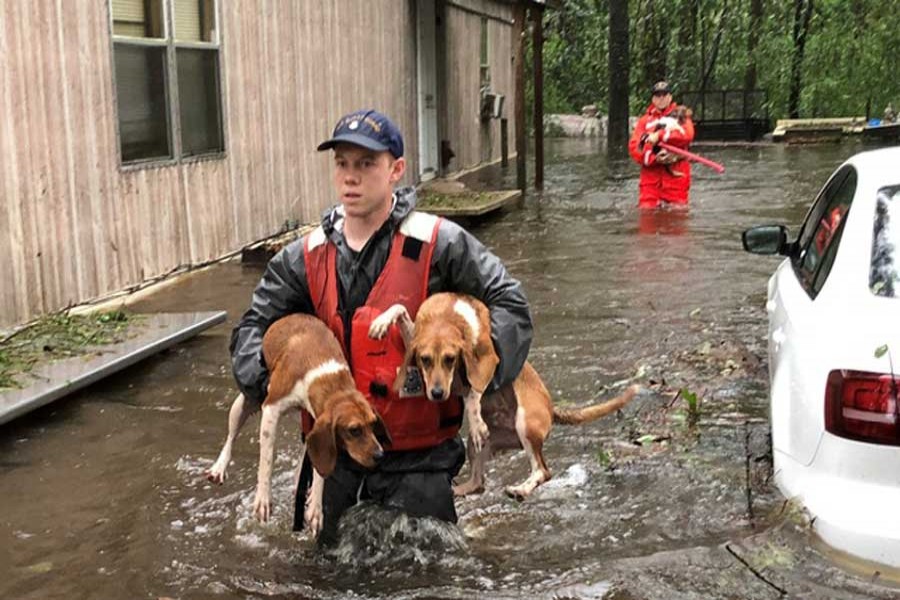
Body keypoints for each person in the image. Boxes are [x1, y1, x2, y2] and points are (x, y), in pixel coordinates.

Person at [229, 109, 532, 546]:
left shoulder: (440, 242)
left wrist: (476, 370)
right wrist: (265, 383)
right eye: (342, 164)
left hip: (421, 462)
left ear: (396, 170)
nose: (351, 177)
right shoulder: (303, 256)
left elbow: (511, 304)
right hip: (335, 457)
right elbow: (253, 327)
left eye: (366, 164)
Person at [628, 81, 696, 210]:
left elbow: (687, 135)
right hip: (650, 184)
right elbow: (634, 148)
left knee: (677, 220)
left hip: (675, 181)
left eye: (664, 95)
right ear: (653, 98)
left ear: (670, 97)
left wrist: (660, 136)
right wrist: (654, 158)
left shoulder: (681, 116)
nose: (661, 98)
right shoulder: (644, 121)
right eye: (657, 95)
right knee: (647, 219)